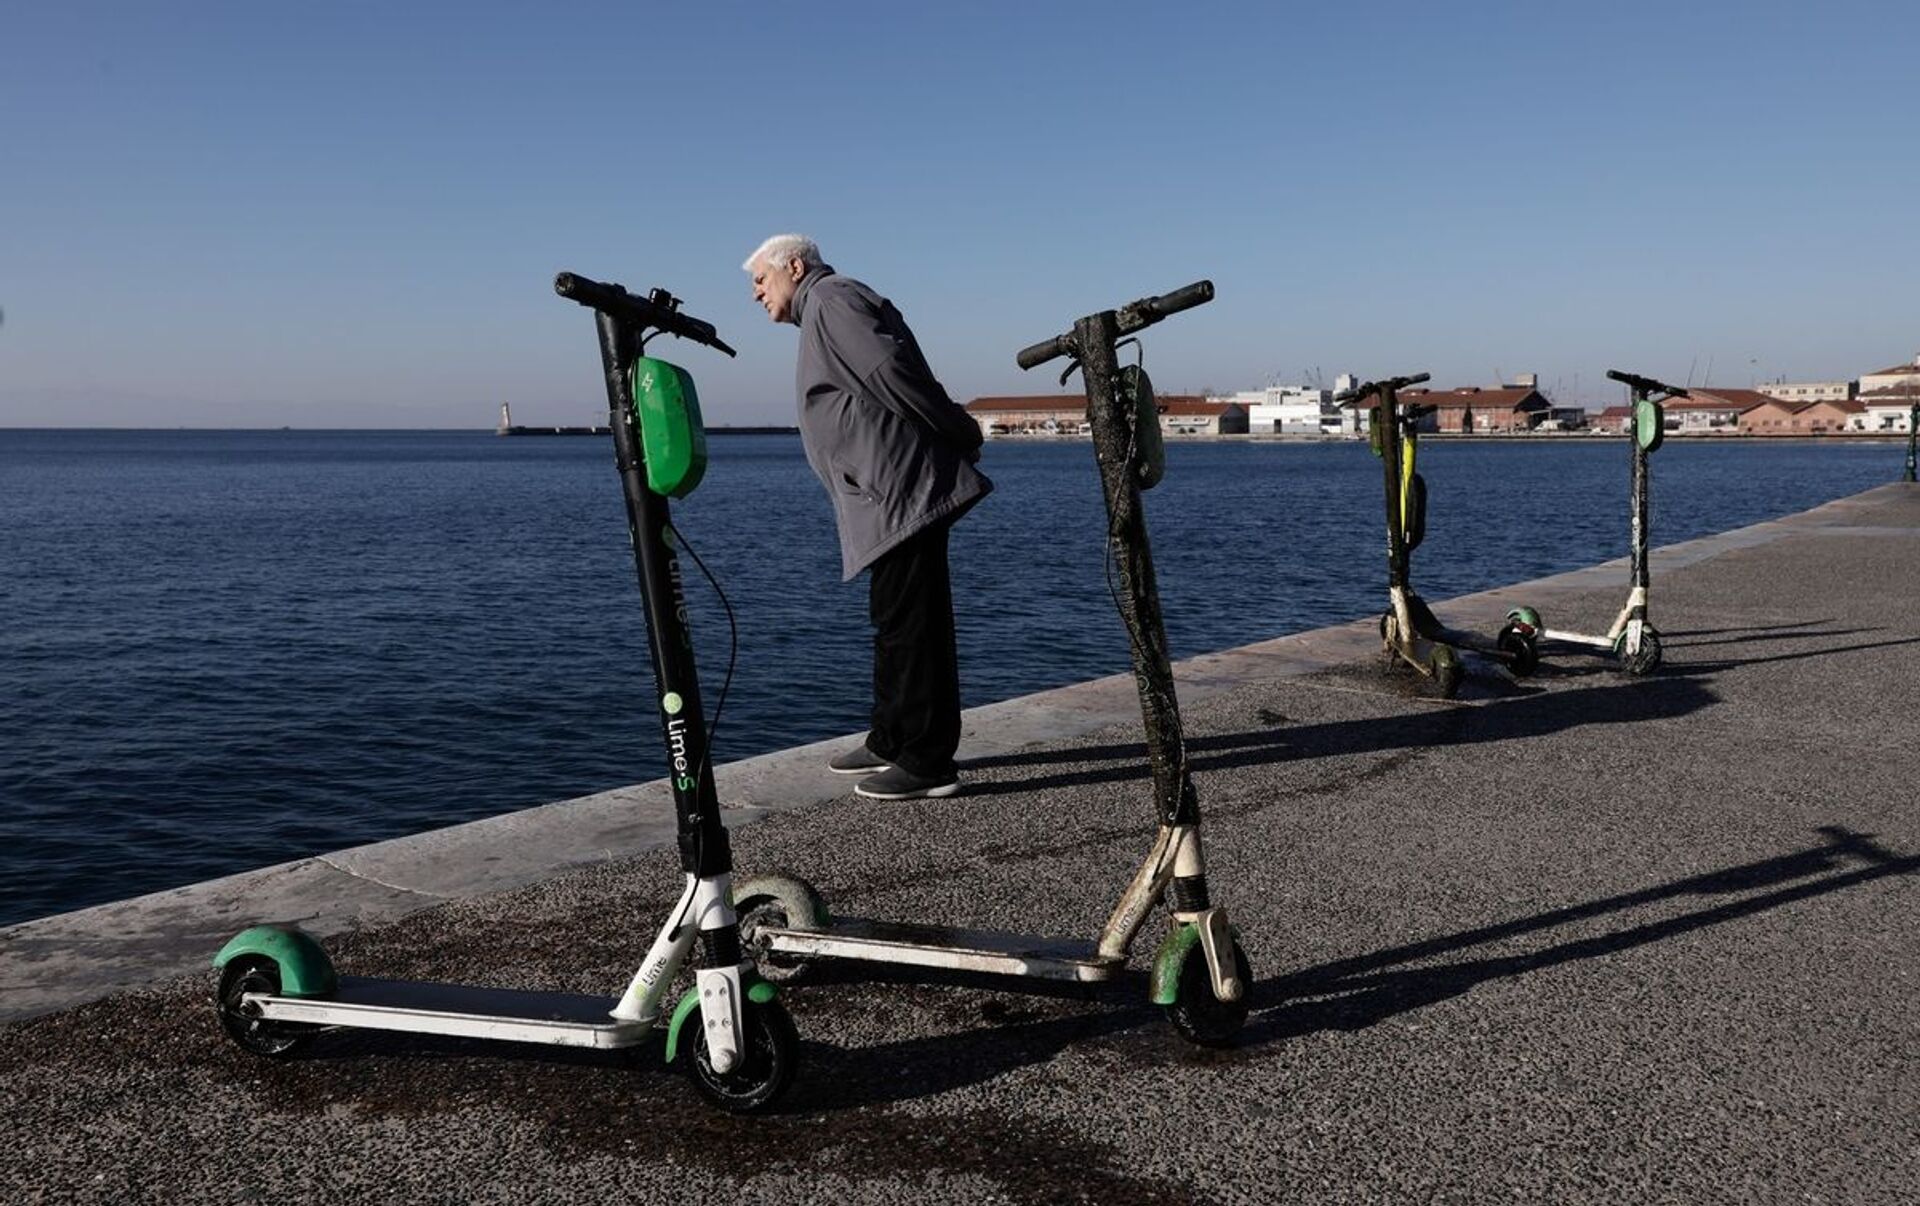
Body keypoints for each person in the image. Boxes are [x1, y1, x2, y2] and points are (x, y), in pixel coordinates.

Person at [743, 233, 991, 800]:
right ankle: (891, 737)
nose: (756, 293)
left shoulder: (833, 301)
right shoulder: (823, 310)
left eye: (761, 279)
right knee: (893, 618)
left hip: (900, 488)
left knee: (914, 623)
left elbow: (891, 373)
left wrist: (957, 428)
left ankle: (928, 762)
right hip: (883, 493)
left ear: (795, 267)